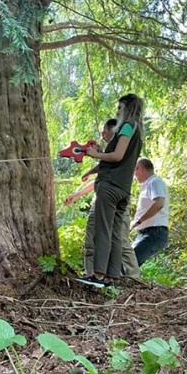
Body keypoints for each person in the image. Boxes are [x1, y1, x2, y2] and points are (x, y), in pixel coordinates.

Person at [78, 94, 144, 287]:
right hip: (123, 189)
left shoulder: (126, 125)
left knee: (102, 230)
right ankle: (112, 276)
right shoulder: (136, 130)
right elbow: (120, 157)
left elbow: (116, 156)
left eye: (120, 108)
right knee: (115, 233)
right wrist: (94, 165)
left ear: (128, 108)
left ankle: (97, 275)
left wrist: (95, 154)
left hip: (110, 186)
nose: (117, 111)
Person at [64, 119, 140, 279]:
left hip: (112, 195)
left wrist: (97, 155)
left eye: (104, 132)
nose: (102, 135)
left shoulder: (121, 149)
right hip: (107, 196)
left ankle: (127, 276)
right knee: (98, 237)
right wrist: (92, 169)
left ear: (114, 131)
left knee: (113, 236)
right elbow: (102, 174)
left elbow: (109, 176)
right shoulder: (111, 152)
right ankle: (100, 274)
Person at [130, 157, 170, 265]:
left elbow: (159, 203)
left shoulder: (154, 182)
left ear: (141, 169)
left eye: (134, 171)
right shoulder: (148, 184)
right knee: (128, 262)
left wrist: (139, 221)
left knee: (128, 261)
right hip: (145, 233)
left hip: (154, 232)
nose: (134, 176)